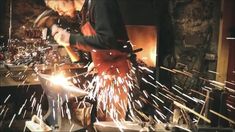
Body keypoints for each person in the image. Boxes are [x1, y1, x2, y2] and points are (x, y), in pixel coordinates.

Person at [43, 0, 135, 122]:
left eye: (57, 6)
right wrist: (97, 60)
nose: (59, 13)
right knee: (103, 120)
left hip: (119, 73)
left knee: (114, 123)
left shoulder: (100, 3)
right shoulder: (85, 12)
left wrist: (71, 39)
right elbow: (96, 42)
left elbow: (107, 40)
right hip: (105, 72)